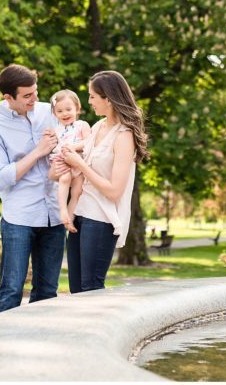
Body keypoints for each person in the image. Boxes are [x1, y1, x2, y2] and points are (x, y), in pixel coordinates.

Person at [0, 64, 65, 313]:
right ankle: (2, 348)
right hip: (19, 217)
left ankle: (38, 347)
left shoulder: (48, 113)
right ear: (8, 98)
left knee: (48, 290)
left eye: (35, 92)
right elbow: (0, 178)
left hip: (53, 214)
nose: (34, 99)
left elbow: (72, 132)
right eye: (27, 96)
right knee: (12, 289)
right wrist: (38, 151)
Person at [59, 70, 150, 293]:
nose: (89, 102)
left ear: (107, 99)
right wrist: (70, 148)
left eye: (92, 96)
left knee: (91, 287)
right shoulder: (99, 126)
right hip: (80, 215)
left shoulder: (124, 136)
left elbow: (114, 191)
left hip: (100, 219)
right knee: (76, 288)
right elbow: (86, 148)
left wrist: (79, 165)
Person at [49, 89, 92, 233]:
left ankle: (70, 219)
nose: (65, 114)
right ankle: (63, 211)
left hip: (78, 162)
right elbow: (52, 147)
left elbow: (89, 142)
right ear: (54, 113)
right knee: (65, 179)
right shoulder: (55, 129)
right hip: (63, 161)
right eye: (59, 111)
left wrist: (73, 146)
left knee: (77, 191)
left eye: (68, 109)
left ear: (77, 109)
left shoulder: (82, 125)